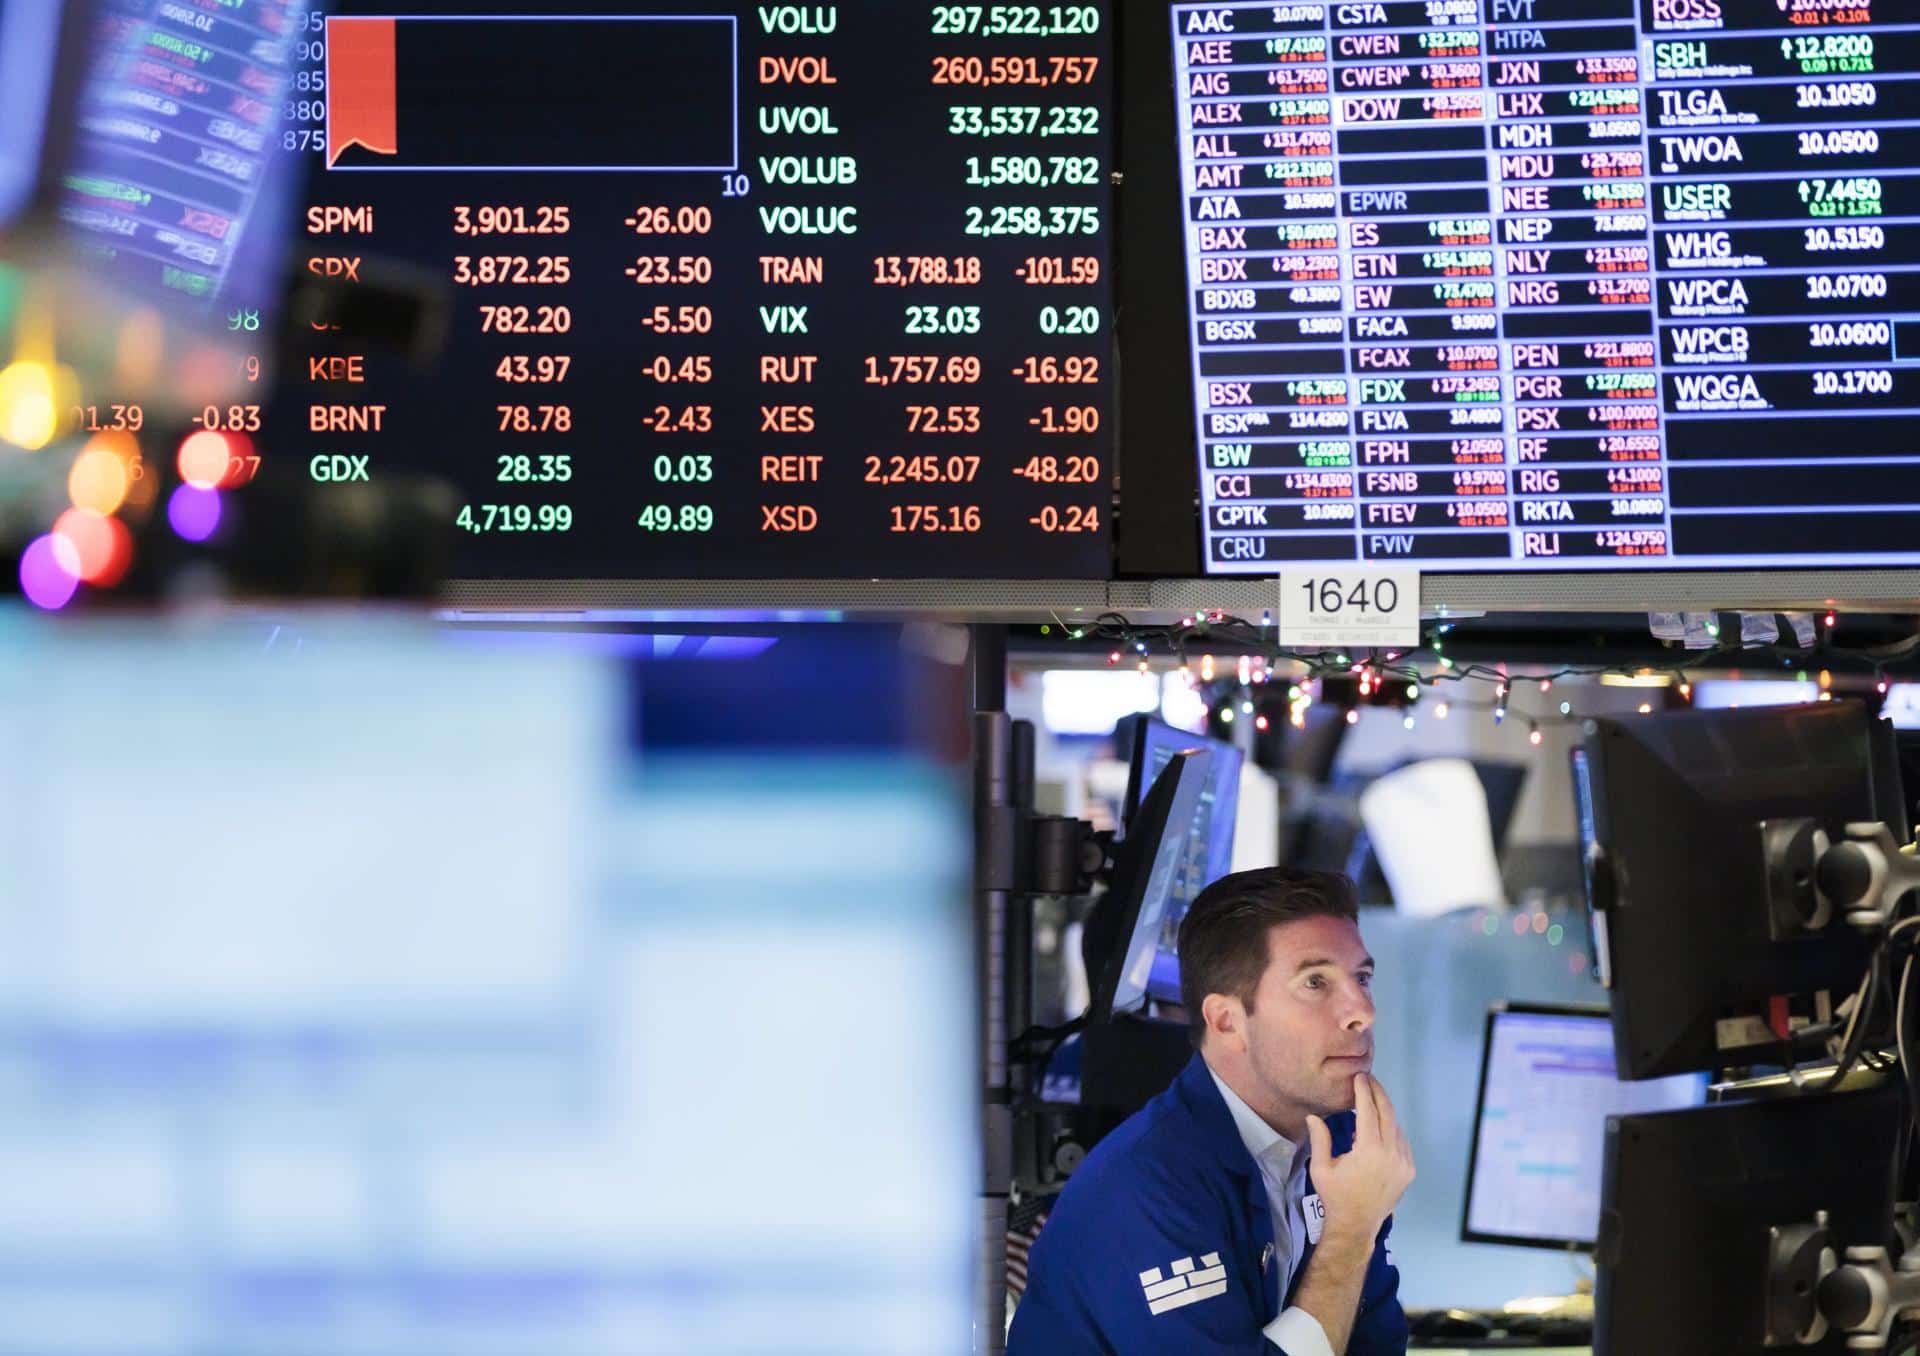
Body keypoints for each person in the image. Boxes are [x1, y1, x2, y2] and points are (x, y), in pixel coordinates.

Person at [1008, 866, 1412, 1354]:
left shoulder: (1343, 1141)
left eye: (1361, 977)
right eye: (1315, 983)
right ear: (1227, 1021)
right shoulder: (1149, 1184)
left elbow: (1376, 1343)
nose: (1361, 1010)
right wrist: (1350, 1233)